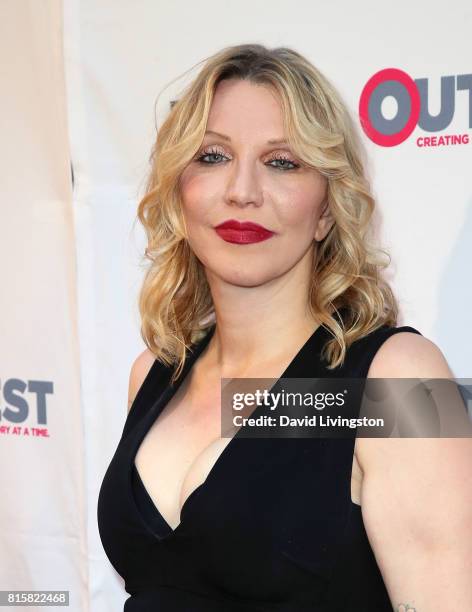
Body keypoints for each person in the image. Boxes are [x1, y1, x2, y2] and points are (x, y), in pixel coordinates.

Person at [97, 44, 472, 611]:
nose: (242, 191)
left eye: (282, 162)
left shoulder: (400, 379)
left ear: (326, 209)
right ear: (179, 189)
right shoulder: (153, 373)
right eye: (212, 156)